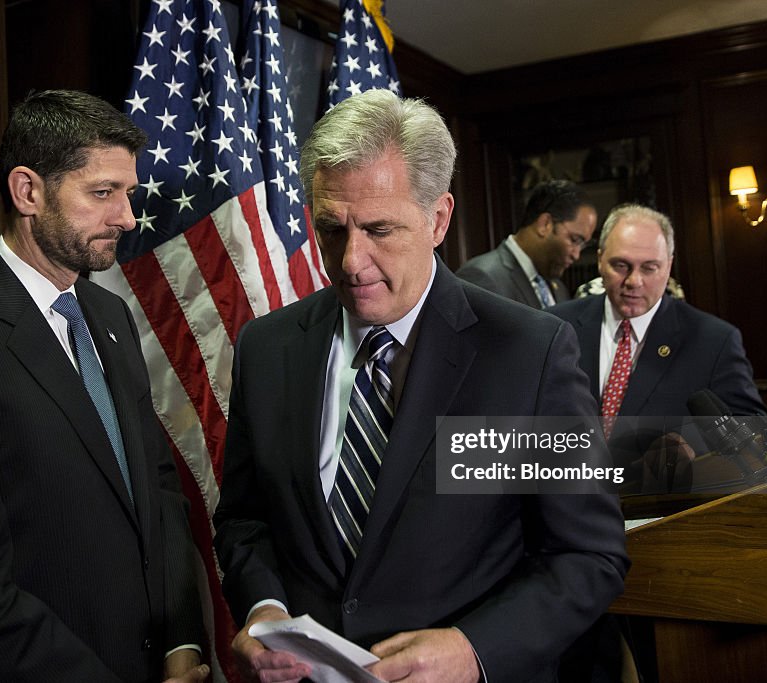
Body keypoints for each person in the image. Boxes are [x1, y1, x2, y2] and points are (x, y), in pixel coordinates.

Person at [213, 89, 628, 683]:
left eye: (380, 229)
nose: (352, 260)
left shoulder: (531, 353)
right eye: (333, 228)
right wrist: (263, 607)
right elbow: (246, 520)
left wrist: (473, 650)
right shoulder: (267, 347)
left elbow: (590, 555)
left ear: (438, 218)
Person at [0, 90, 208, 683]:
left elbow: (158, 493)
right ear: (28, 192)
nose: (127, 217)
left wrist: (183, 642)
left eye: (126, 193)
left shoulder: (109, 316)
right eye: (103, 193)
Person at [549, 204, 767, 486]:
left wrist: (685, 447)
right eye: (620, 265)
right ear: (600, 260)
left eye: (649, 268)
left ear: (669, 265)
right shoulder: (556, 326)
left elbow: (753, 428)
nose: (634, 281)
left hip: (656, 508)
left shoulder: (713, 340)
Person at [456, 179, 597, 308]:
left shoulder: (558, 288)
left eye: (583, 245)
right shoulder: (481, 277)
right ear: (545, 224)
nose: (577, 255)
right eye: (575, 240)